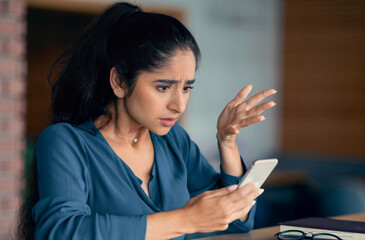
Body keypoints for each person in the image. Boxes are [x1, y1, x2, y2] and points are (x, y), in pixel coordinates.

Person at [18, 2, 277, 239]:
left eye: (186, 88)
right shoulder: (65, 142)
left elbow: (236, 223)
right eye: (164, 87)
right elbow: (61, 231)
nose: (179, 105)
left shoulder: (174, 139)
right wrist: (186, 219)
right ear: (119, 81)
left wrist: (227, 141)